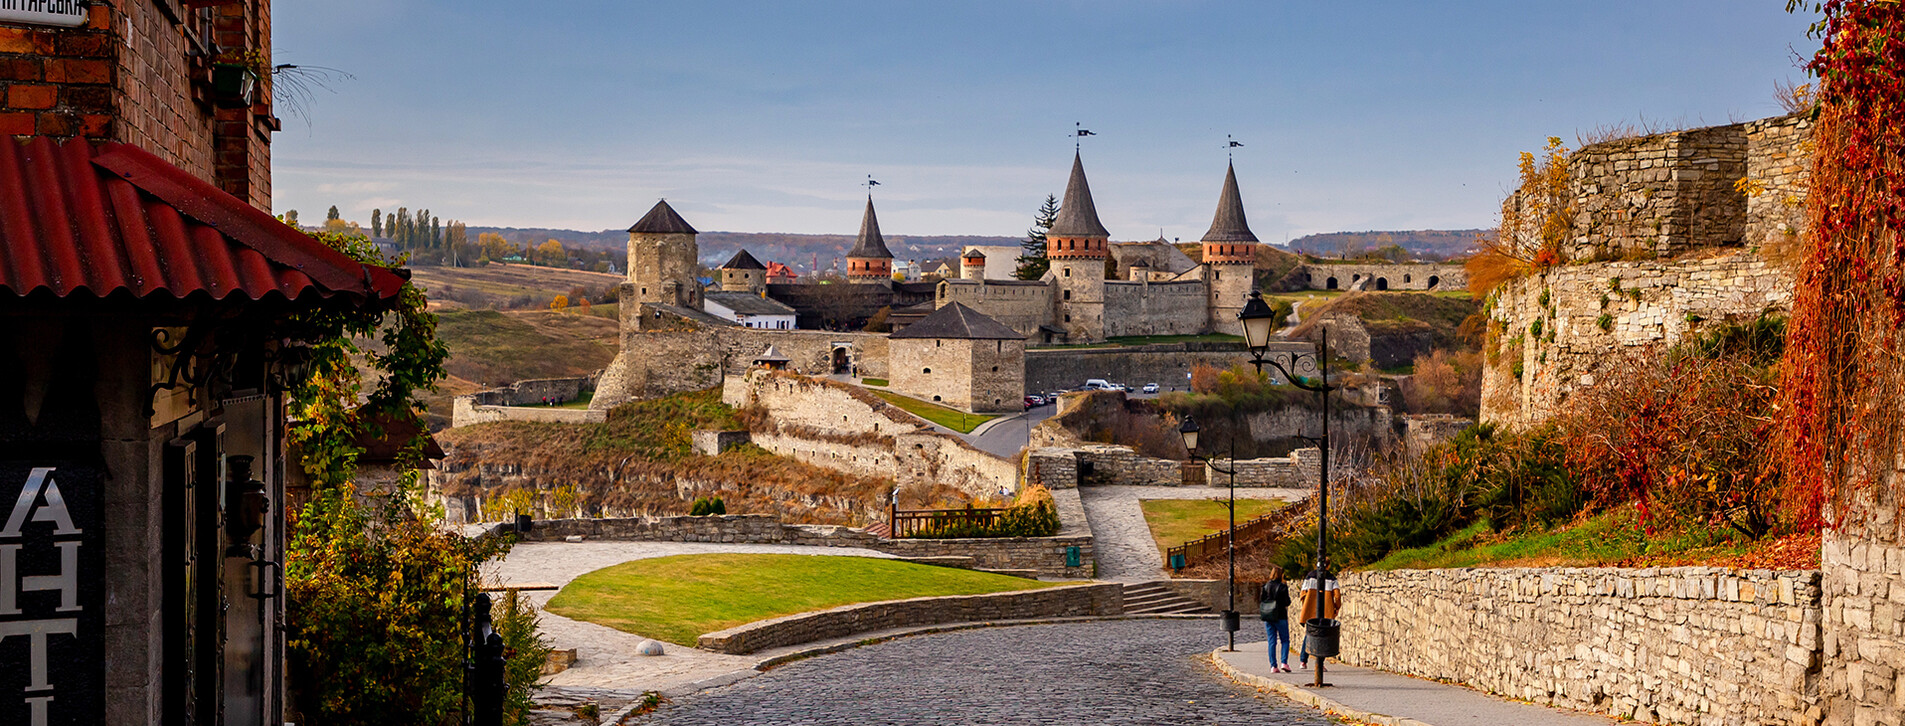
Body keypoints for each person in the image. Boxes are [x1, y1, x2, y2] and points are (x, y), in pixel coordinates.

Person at [1296, 563, 1341, 669]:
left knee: (1309, 634)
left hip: (1311, 610)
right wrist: (1336, 607)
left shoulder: (1310, 576)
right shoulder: (1331, 578)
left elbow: (1302, 593)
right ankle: (1320, 664)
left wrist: (1306, 605)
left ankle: (1303, 661)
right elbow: (1337, 596)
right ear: (1328, 566)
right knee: (1323, 636)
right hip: (1326, 611)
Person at [1259, 566, 1292, 673]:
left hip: (1268, 616)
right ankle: (1284, 662)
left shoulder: (1265, 586)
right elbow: (1287, 602)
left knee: (1271, 641)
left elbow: (1261, 599)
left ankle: (1273, 666)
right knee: (1285, 640)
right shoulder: (1282, 587)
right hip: (1280, 615)